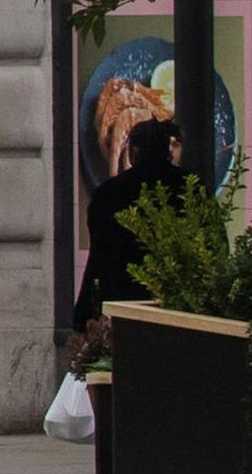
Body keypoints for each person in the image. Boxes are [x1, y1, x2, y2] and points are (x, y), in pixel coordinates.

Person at [71, 117, 185, 332]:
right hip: (178, 309)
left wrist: (84, 316)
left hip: (121, 305)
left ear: (134, 151)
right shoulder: (190, 187)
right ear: (167, 151)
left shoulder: (109, 193)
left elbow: (100, 256)